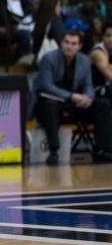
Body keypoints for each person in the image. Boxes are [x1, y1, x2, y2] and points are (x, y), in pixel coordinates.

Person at [35, 32, 112, 165]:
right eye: (66, 42)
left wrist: (88, 97)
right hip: (53, 104)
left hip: (75, 106)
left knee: (103, 105)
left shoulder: (84, 61)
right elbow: (46, 86)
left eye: (73, 44)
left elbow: (88, 85)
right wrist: (71, 96)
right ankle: (54, 151)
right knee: (50, 104)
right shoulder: (48, 59)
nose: (69, 47)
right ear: (61, 43)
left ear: (80, 46)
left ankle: (103, 150)